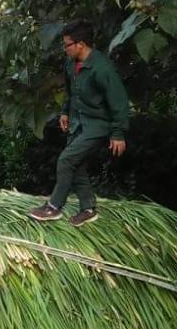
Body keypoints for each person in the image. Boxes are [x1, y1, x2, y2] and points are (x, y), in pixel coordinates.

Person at [28, 20, 130, 227]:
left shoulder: (102, 68)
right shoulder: (70, 64)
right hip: (77, 124)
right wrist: (65, 112)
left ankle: (54, 207)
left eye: (67, 45)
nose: (64, 49)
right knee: (76, 166)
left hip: (97, 125)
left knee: (66, 161)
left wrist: (118, 133)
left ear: (80, 44)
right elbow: (71, 92)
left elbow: (119, 102)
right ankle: (88, 209)